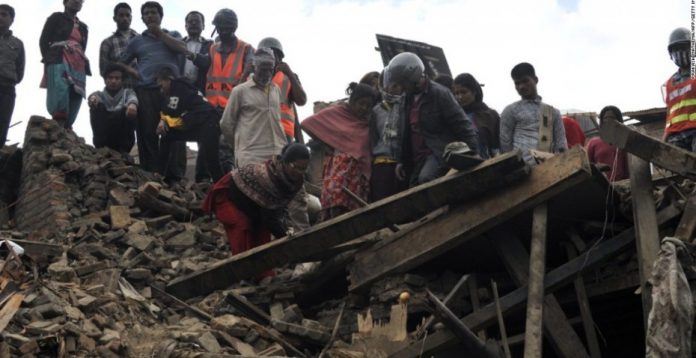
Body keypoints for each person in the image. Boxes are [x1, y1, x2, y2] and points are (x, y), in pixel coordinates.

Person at [202, 143, 310, 278]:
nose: (300, 172)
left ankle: (260, 272)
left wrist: (287, 230)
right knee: (242, 227)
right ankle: (241, 272)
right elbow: (269, 219)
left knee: (261, 233)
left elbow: (278, 208)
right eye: (296, 167)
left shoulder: (294, 180)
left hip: (253, 204)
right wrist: (287, 239)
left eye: (304, 169)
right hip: (228, 196)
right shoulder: (269, 178)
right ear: (286, 162)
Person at [383, 52, 479, 186]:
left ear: (413, 78)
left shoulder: (440, 94)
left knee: (426, 180)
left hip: (438, 153)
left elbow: (462, 125)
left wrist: (472, 155)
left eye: (403, 83)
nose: (402, 87)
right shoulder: (406, 99)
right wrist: (401, 161)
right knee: (413, 188)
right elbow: (404, 132)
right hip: (417, 158)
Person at [118, 1, 189, 175]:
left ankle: (175, 176)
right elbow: (120, 63)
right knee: (147, 133)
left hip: (172, 91)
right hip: (146, 91)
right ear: (142, 18)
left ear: (161, 16)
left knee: (175, 129)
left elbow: (183, 49)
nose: (150, 16)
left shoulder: (173, 34)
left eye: (153, 13)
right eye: (146, 13)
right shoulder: (137, 41)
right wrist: (134, 73)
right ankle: (150, 173)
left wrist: (160, 34)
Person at [302, 82, 377, 220]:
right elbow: (307, 124)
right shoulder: (337, 113)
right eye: (361, 104)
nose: (364, 108)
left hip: (357, 176)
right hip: (337, 171)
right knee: (334, 204)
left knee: (355, 213)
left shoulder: (369, 123)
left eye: (368, 106)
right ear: (353, 101)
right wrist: (328, 142)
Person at [221, 48, 287, 168]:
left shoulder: (275, 89)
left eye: (270, 70)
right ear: (254, 66)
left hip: (277, 152)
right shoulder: (240, 91)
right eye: (263, 69)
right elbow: (226, 123)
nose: (267, 74)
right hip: (251, 155)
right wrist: (240, 145)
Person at [156, 67, 223, 183]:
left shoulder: (178, 86)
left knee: (212, 160)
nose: (161, 91)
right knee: (167, 135)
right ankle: (159, 174)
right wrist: (164, 120)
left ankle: (222, 188)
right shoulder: (181, 89)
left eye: (161, 86)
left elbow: (172, 111)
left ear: (168, 79)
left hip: (209, 122)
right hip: (199, 123)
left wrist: (163, 120)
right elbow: (169, 112)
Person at [500, 62, 567, 164]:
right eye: (517, 83)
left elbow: (561, 145)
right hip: (521, 170)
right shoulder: (510, 111)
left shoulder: (553, 113)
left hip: (549, 169)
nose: (521, 86)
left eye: (525, 81)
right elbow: (505, 146)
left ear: (536, 80)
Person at [39, 0, 91, 129]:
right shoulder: (56, 18)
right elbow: (43, 41)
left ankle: (68, 125)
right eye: (73, 0)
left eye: (80, 1)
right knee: (60, 86)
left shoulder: (83, 27)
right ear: (65, 2)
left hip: (78, 61)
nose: (77, 3)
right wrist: (49, 57)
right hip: (58, 57)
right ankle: (59, 120)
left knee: (76, 92)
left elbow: (83, 47)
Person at [258, 37, 307, 143]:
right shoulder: (253, 78)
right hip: (258, 133)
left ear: (279, 57)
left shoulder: (288, 77)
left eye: (271, 54)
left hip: (283, 135)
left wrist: (290, 74)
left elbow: (301, 101)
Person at [369, 74, 407, 201]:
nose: (397, 88)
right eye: (393, 85)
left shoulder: (405, 106)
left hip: (401, 161)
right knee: (383, 200)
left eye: (400, 85)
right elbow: (373, 137)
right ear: (383, 87)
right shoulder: (376, 111)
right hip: (381, 162)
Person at [87, 64, 137, 154]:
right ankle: (101, 148)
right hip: (103, 138)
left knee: (129, 110)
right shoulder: (99, 94)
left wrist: (132, 105)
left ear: (122, 80)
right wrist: (93, 100)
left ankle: (123, 150)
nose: (113, 81)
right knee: (95, 108)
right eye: (110, 78)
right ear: (105, 80)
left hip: (122, 139)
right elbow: (93, 97)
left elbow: (133, 98)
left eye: (117, 78)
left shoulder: (128, 92)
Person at [453, 73, 500, 159]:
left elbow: (498, 146)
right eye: (456, 93)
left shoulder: (490, 115)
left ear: (474, 92)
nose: (459, 97)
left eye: (463, 92)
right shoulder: (454, 118)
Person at [663, 27, 696, 152]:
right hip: (676, 134)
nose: (680, 52)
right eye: (676, 49)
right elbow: (670, 115)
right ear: (671, 54)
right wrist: (664, 139)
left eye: (683, 47)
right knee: (672, 161)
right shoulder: (670, 84)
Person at [0, 4, 24, 147]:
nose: (0, 17)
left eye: (4, 15)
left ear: (11, 20)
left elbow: (20, 70)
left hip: (7, 89)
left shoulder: (18, 43)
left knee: (2, 126)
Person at [586, 106, 629, 182]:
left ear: (619, 120)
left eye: (612, 118)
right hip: (601, 186)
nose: (609, 120)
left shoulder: (625, 141)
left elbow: (628, 167)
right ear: (602, 121)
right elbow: (588, 166)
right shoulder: (593, 143)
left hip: (623, 184)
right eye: (606, 118)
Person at [99, 3, 137, 87]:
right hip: (120, 89)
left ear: (131, 18)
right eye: (121, 15)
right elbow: (103, 70)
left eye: (127, 15)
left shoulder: (140, 39)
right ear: (115, 18)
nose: (125, 18)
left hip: (142, 87)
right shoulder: (107, 42)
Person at [182, 11, 212, 92]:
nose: (194, 23)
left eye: (197, 21)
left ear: (203, 26)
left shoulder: (210, 45)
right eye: (190, 21)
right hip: (180, 89)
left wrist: (194, 57)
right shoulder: (178, 43)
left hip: (201, 90)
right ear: (185, 26)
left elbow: (209, 64)